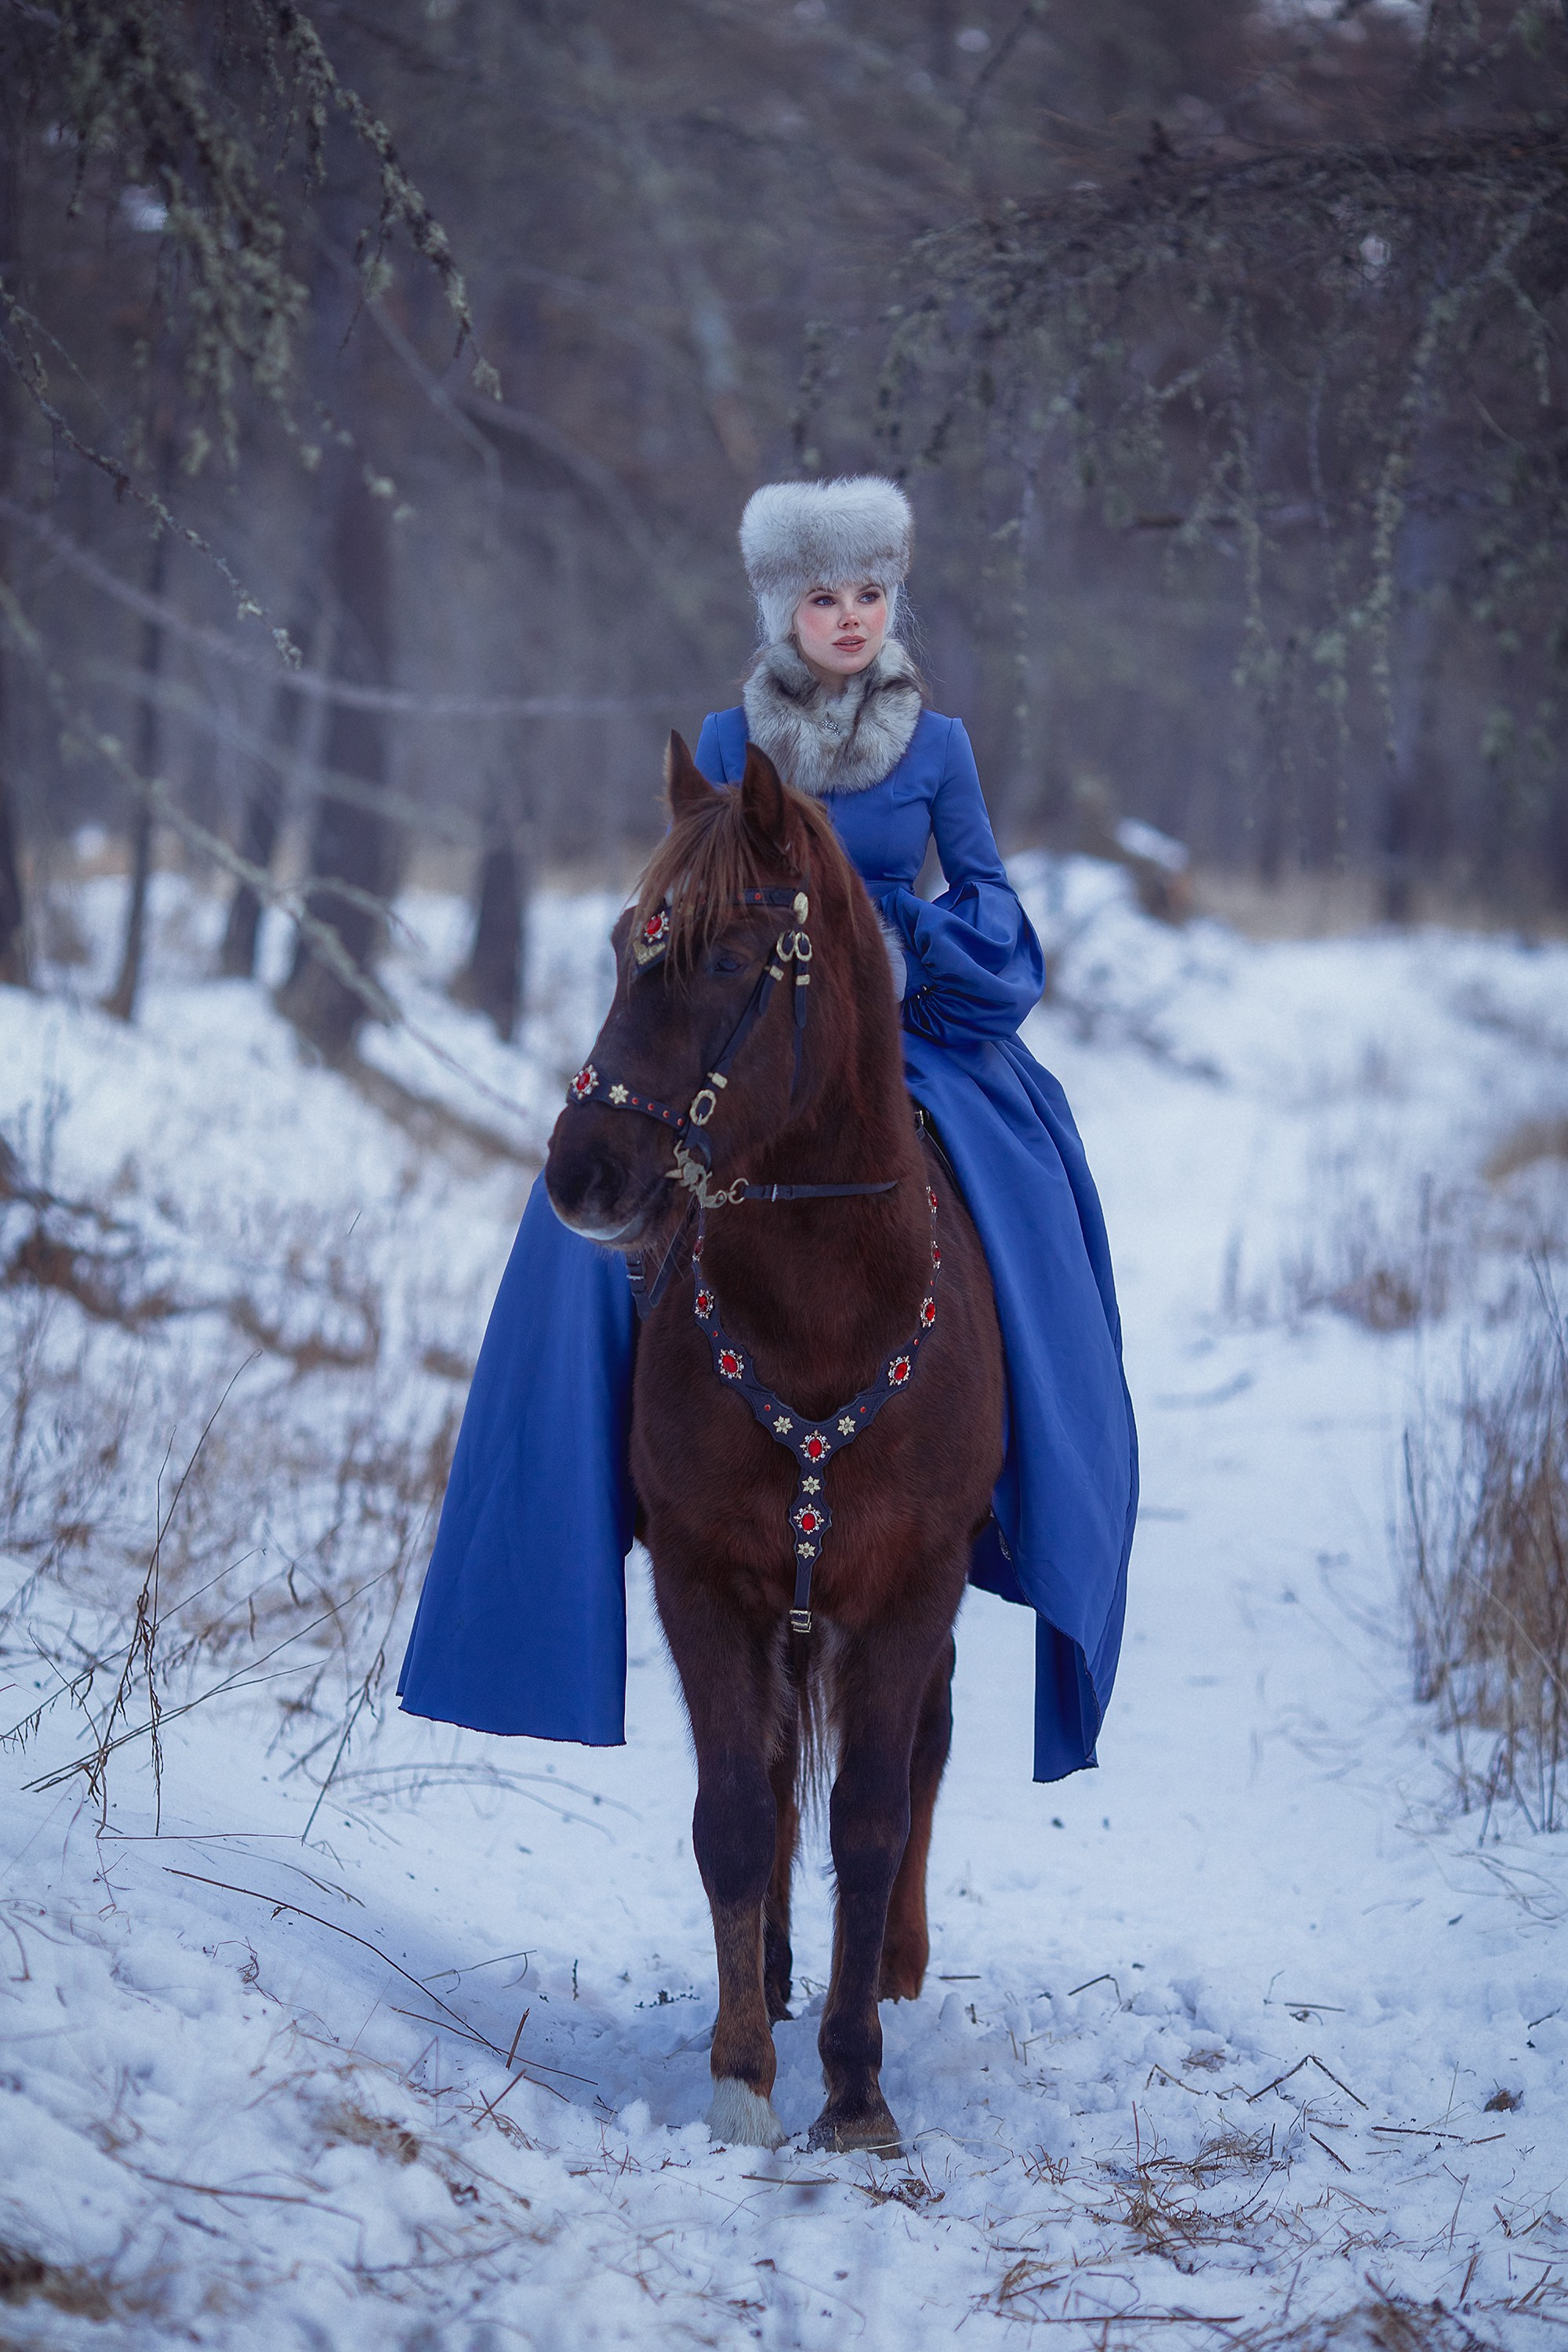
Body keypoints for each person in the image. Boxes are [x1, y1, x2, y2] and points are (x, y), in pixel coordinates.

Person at [399, 477, 1137, 1782]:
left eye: (870, 593)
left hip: (900, 1043)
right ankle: (572, 1513)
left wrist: (895, 936)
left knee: (1028, 1195)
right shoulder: (725, 743)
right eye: (822, 597)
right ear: (780, 609)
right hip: (743, 1041)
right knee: (577, 1222)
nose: (850, 618)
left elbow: (999, 918)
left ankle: (1035, 1479)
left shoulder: (941, 749)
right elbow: (677, 912)